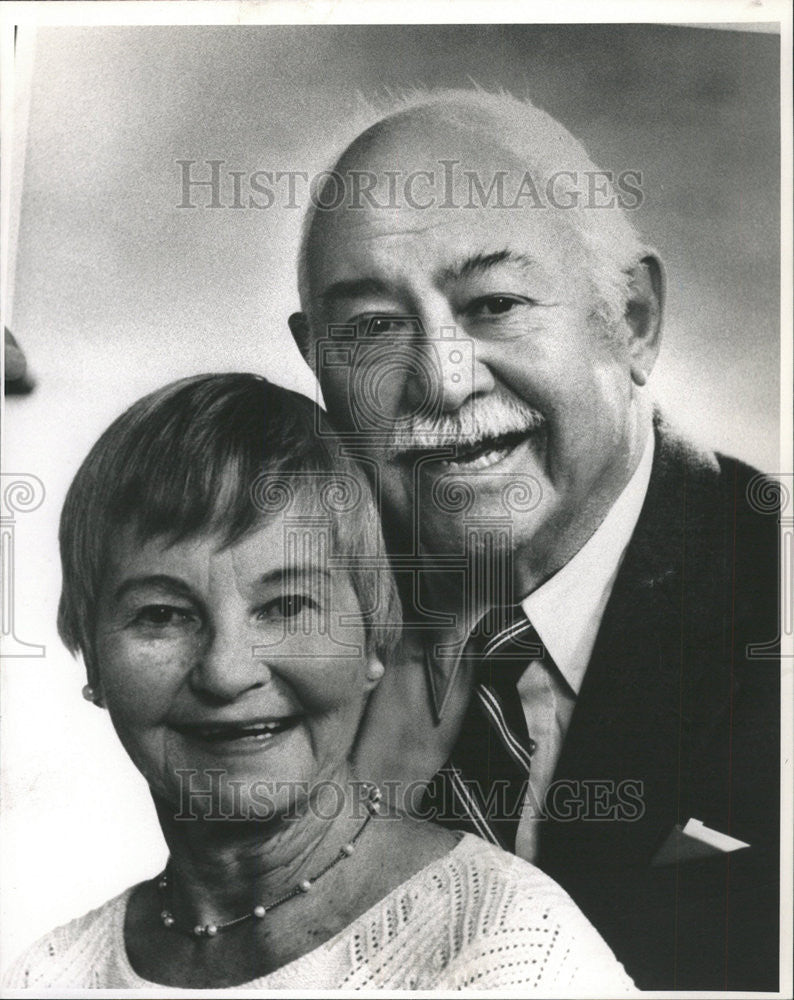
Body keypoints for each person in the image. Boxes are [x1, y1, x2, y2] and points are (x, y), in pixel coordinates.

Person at [287, 89, 781, 990]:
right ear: (315, 363)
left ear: (632, 318)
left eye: (496, 303)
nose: (439, 381)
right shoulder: (299, 626)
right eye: (371, 329)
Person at [4, 372, 634, 991]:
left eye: (286, 607)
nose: (227, 671)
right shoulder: (48, 975)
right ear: (91, 657)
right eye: (162, 615)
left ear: (373, 639)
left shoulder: (510, 946)